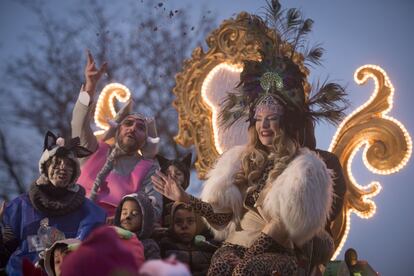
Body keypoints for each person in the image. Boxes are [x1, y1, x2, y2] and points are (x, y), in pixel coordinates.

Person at [152, 2, 349, 274]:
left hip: (276, 250)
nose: (264, 125)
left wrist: (246, 258)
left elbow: (283, 225)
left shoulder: (306, 167)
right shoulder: (241, 161)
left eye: (272, 118)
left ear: (285, 122)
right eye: (258, 119)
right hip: (235, 247)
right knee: (219, 265)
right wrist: (185, 197)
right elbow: (222, 219)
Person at [71, 50, 162, 219]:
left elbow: (154, 211)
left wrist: (121, 222)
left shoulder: (149, 169)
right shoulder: (93, 150)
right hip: (74, 231)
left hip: (118, 237)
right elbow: (78, 123)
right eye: (128, 123)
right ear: (118, 129)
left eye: (141, 127)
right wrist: (90, 85)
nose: (133, 128)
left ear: (145, 140)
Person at [0, 131, 106, 275]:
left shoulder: (91, 213)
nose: (62, 168)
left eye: (69, 164)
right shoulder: (19, 208)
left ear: (75, 173)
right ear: (45, 167)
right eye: (57, 163)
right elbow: (3, 256)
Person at [159, 202, 215, 276]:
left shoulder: (210, 245)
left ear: (198, 223)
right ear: (172, 224)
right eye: (178, 222)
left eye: (190, 221)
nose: (184, 226)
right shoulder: (165, 244)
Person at [113, 193, 161, 260]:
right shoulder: (112, 238)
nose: (128, 217)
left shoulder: (149, 245)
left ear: (145, 219)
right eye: (124, 213)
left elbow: (153, 268)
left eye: (134, 214)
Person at [156, 153, 192, 227]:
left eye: (178, 174)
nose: (172, 177)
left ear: (185, 179)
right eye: (167, 174)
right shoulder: (155, 200)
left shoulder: (191, 204)